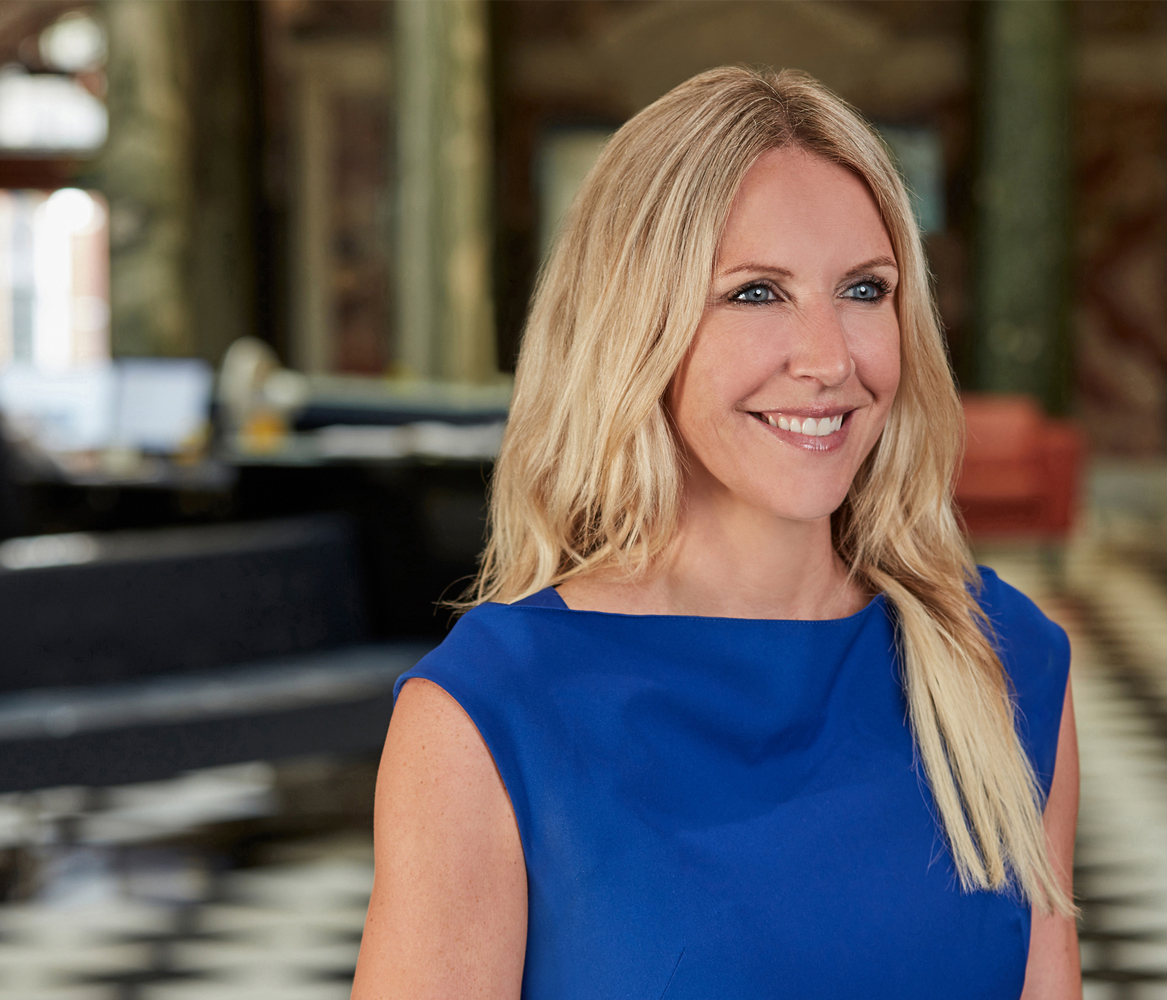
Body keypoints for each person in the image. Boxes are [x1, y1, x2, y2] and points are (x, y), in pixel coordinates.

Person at [353, 67, 1081, 999]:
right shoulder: (492, 713)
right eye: (753, 294)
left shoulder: (1003, 661)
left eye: (865, 290)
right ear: (633, 327)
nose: (827, 359)